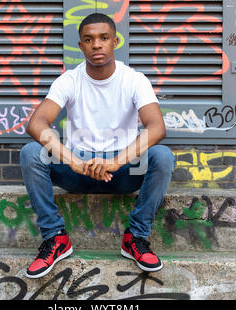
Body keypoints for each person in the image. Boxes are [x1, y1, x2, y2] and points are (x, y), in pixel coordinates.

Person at [20, 13, 176, 279]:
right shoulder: (69, 80)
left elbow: (156, 127)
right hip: (76, 170)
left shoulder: (134, 80)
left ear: (115, 41)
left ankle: (135, 238)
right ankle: (56, 238)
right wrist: (73, 161)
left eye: (104, 38)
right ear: (81, 46)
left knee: (162, 156)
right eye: (89, 40)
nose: (97, 45)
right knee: (31, 152)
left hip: (122, 170)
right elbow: (37, 123)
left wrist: (115, 161)